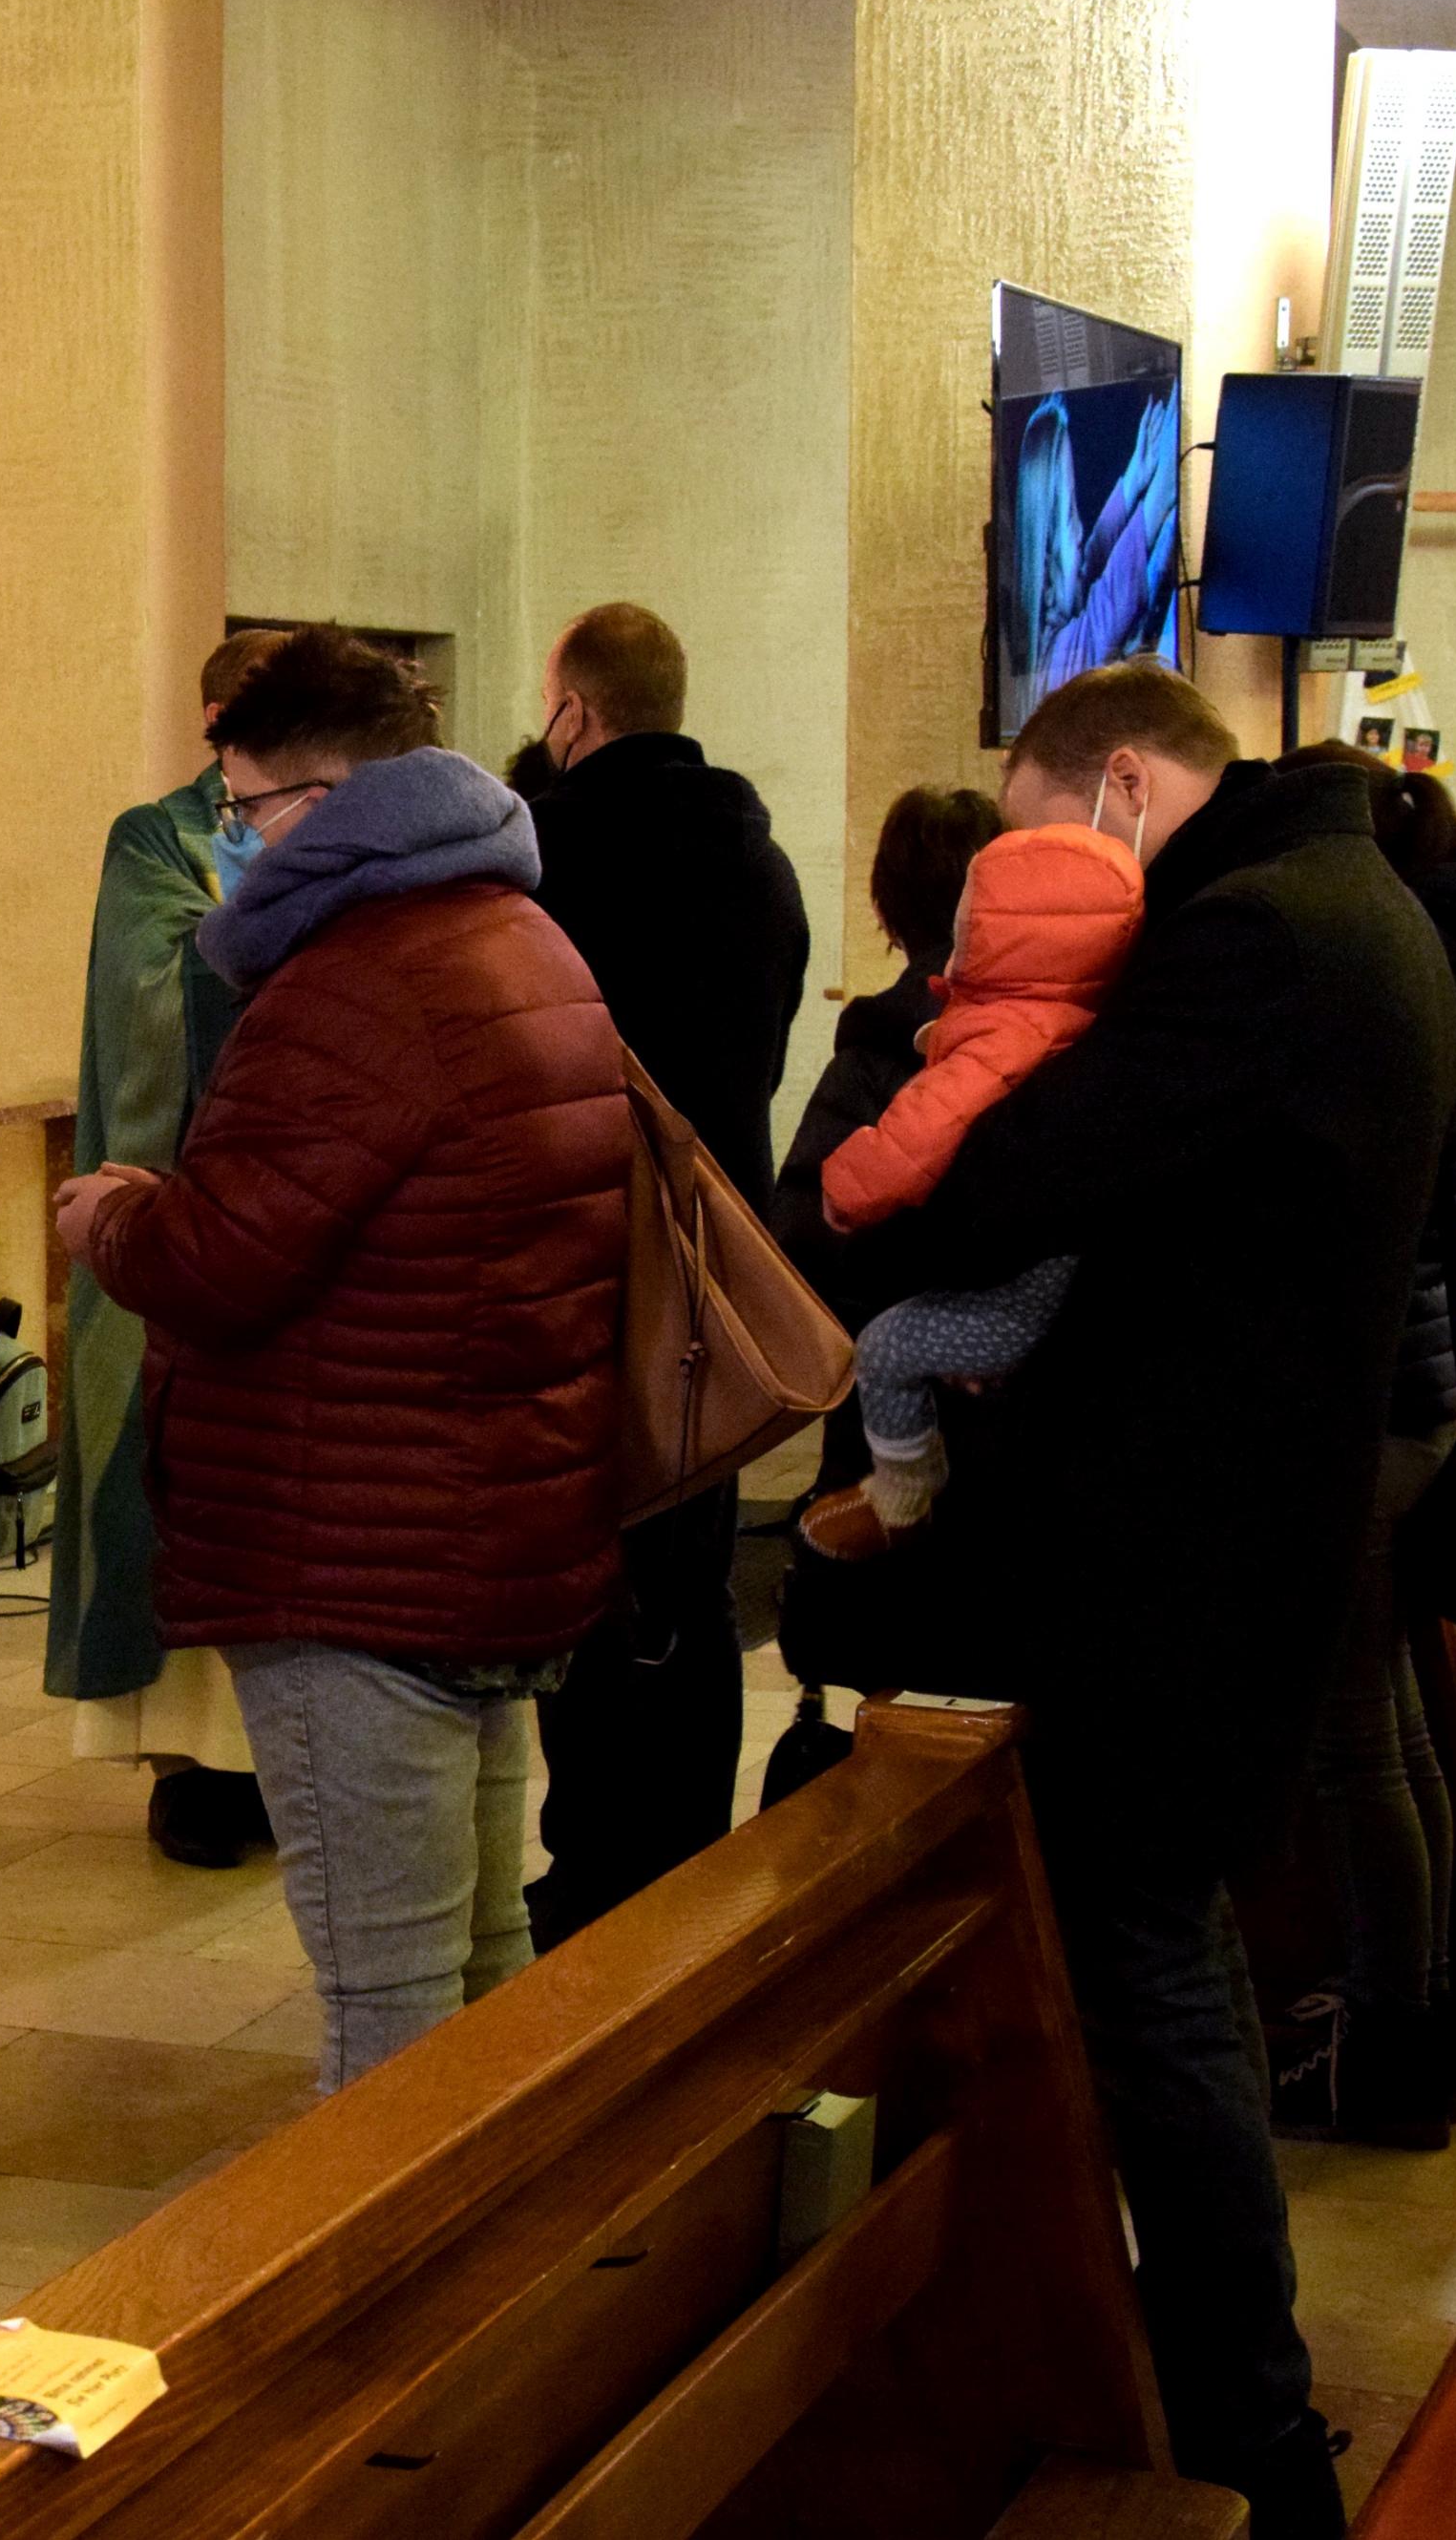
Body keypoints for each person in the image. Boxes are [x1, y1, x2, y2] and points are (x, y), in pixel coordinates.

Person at [830, 661, 1456, 2539]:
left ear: (1114, 781)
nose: (1043, 885)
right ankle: (1216, 2406)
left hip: (1172, 1560)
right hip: (1235, 1539)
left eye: (1036, 838)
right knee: (1161, 1959)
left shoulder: (1253, 938)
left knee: (1150, 1975)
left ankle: (1248, 2438)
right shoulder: (1348, 901)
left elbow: (1010, 1184)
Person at [54, 626, 633, 2092]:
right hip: (486, 1522)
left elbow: (222, 1262)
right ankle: (514, 2235)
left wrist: (116, 1217)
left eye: (245, 809)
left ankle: (401, 2254)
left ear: (320, 799)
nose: (237, 841)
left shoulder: (355, 981)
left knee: (388, 2013)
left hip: (358, 1547)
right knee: (483, 1956)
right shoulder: (518, 932)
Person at [519, 600, 811, 1944]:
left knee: (592, 1574)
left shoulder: (551, 857)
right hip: (718, 1257)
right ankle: (690, 1853)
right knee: (694, 1567)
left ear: (575, 712)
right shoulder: (760, 861)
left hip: (588, 1259)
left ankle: (596, 1874)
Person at [1269, 762, 1456, 2151]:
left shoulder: (1398, 973)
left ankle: (1392, 2043)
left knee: (1357, 1745)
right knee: (1397, 1730)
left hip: (1371, 1396)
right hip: (1418, 1386)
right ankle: (1411, 2011)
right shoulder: (1453, 972)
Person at [50, 626, 290, 1871]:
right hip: (181, 1194)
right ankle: (193, 1764)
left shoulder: (334, 826)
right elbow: (151, 988)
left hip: (288, 1214)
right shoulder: (158, 837)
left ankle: (281, 1756)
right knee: (165, 1477)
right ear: (210, 719)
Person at [792, 819, 1146, 1559]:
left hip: (1012, 1305)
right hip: (1066, 1334)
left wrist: (847, 1187)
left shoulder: (991, 1040)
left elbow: (918, 1133)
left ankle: (901, 1495)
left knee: (888, 1346)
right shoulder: (1096, 1023)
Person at [772, 784, 1005, 1488]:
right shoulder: (1069, 1039)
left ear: (886, 907)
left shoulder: (870, 1060)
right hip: (1032, 1432)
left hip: (880, 1437)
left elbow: (803, 1242)